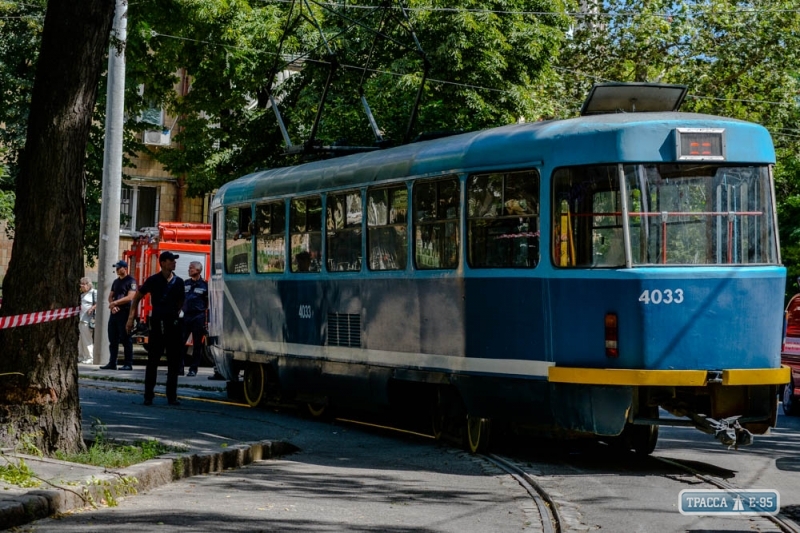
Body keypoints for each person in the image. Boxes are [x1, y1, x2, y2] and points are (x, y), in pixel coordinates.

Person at [126, 251, 185, 406]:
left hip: (172, 323)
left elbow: (181, 301)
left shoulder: (179, 282)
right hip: (158, 323)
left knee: (173, 362)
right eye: (171, 260)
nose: (174, 263)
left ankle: (171, 396)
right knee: (153, 361)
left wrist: (176, 314)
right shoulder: (153, 280)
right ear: (163, 263)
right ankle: (148, 396)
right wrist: (131, 318)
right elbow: (138, 296)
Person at [101, 260, 137, 370]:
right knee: (113, 339)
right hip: (115, 313)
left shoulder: (131, 281)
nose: (117, 270)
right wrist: (113, 306)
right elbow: (110, 296)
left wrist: (115, 303)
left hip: (125, 313)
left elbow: (130, 297)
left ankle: (128, 363)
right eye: (116, 268)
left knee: (126, 339)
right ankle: (112, 363)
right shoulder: (116, 282)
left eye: (119, 268)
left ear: (125, 268)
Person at [182, 261, 208, 377]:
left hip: (198, 317)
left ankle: (193, 369)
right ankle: (179, 368)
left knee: (197, 345)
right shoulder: (185, 283)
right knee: (180, 343)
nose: (189, 270)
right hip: (186, 316)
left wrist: (207, 321)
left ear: (198, 270)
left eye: (191, 268)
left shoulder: (205, 285)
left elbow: (209, 303)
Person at [78, 277, 97, 364]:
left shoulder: (94, 292)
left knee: (87, 339)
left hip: (88, 320)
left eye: (83, 285)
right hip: (81, 319)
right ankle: (81, 356)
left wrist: (92, 308)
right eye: (81, 285)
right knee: (80, 339)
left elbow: (99, 302)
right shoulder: (82, 294)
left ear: (88, 285)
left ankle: (90, 357)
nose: (81, 287)